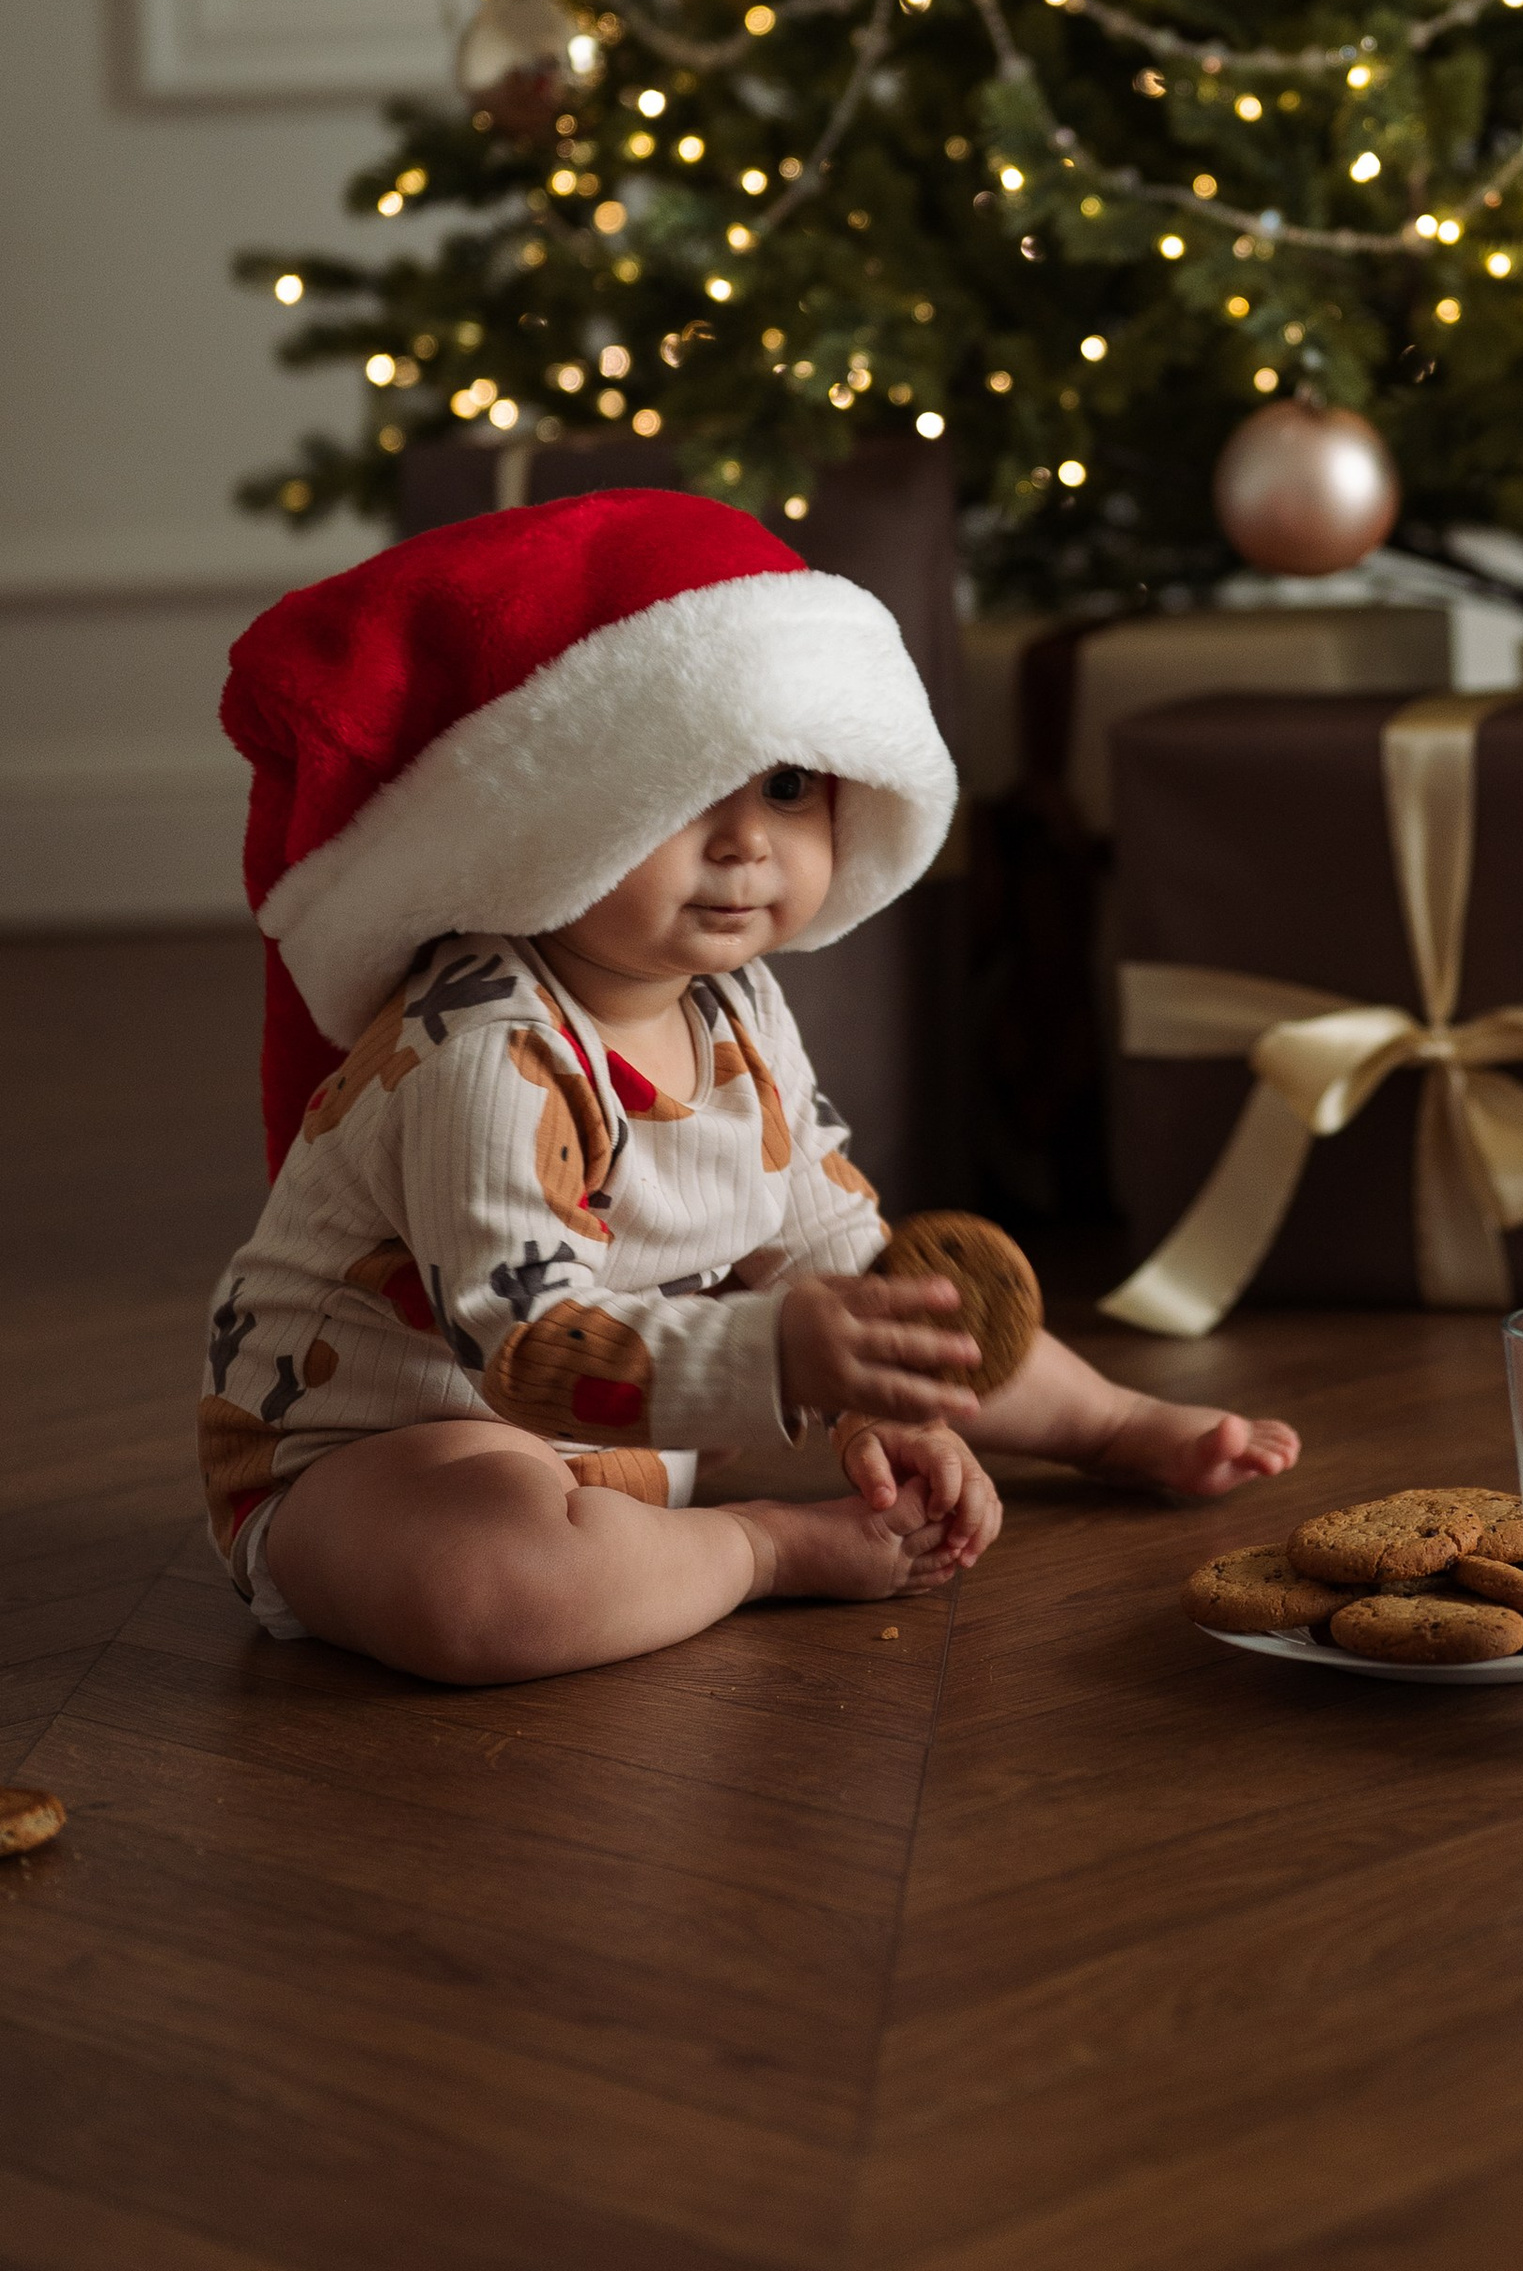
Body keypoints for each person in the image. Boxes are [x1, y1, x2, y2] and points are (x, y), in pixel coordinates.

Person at [204, 489, 1297, 1685]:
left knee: (907, 1318)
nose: (745, 842)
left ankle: (1105, 1427)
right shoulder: (481, 1047)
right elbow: (517, 1341)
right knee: (490, 1591)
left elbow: (820, 1228)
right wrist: (784, 1360)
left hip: (634, 1427)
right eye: (681, 794)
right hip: (403, 1445)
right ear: (532, 827)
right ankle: (755, 1549)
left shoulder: (737, 1004)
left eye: (786, 785)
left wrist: (880, 1403)